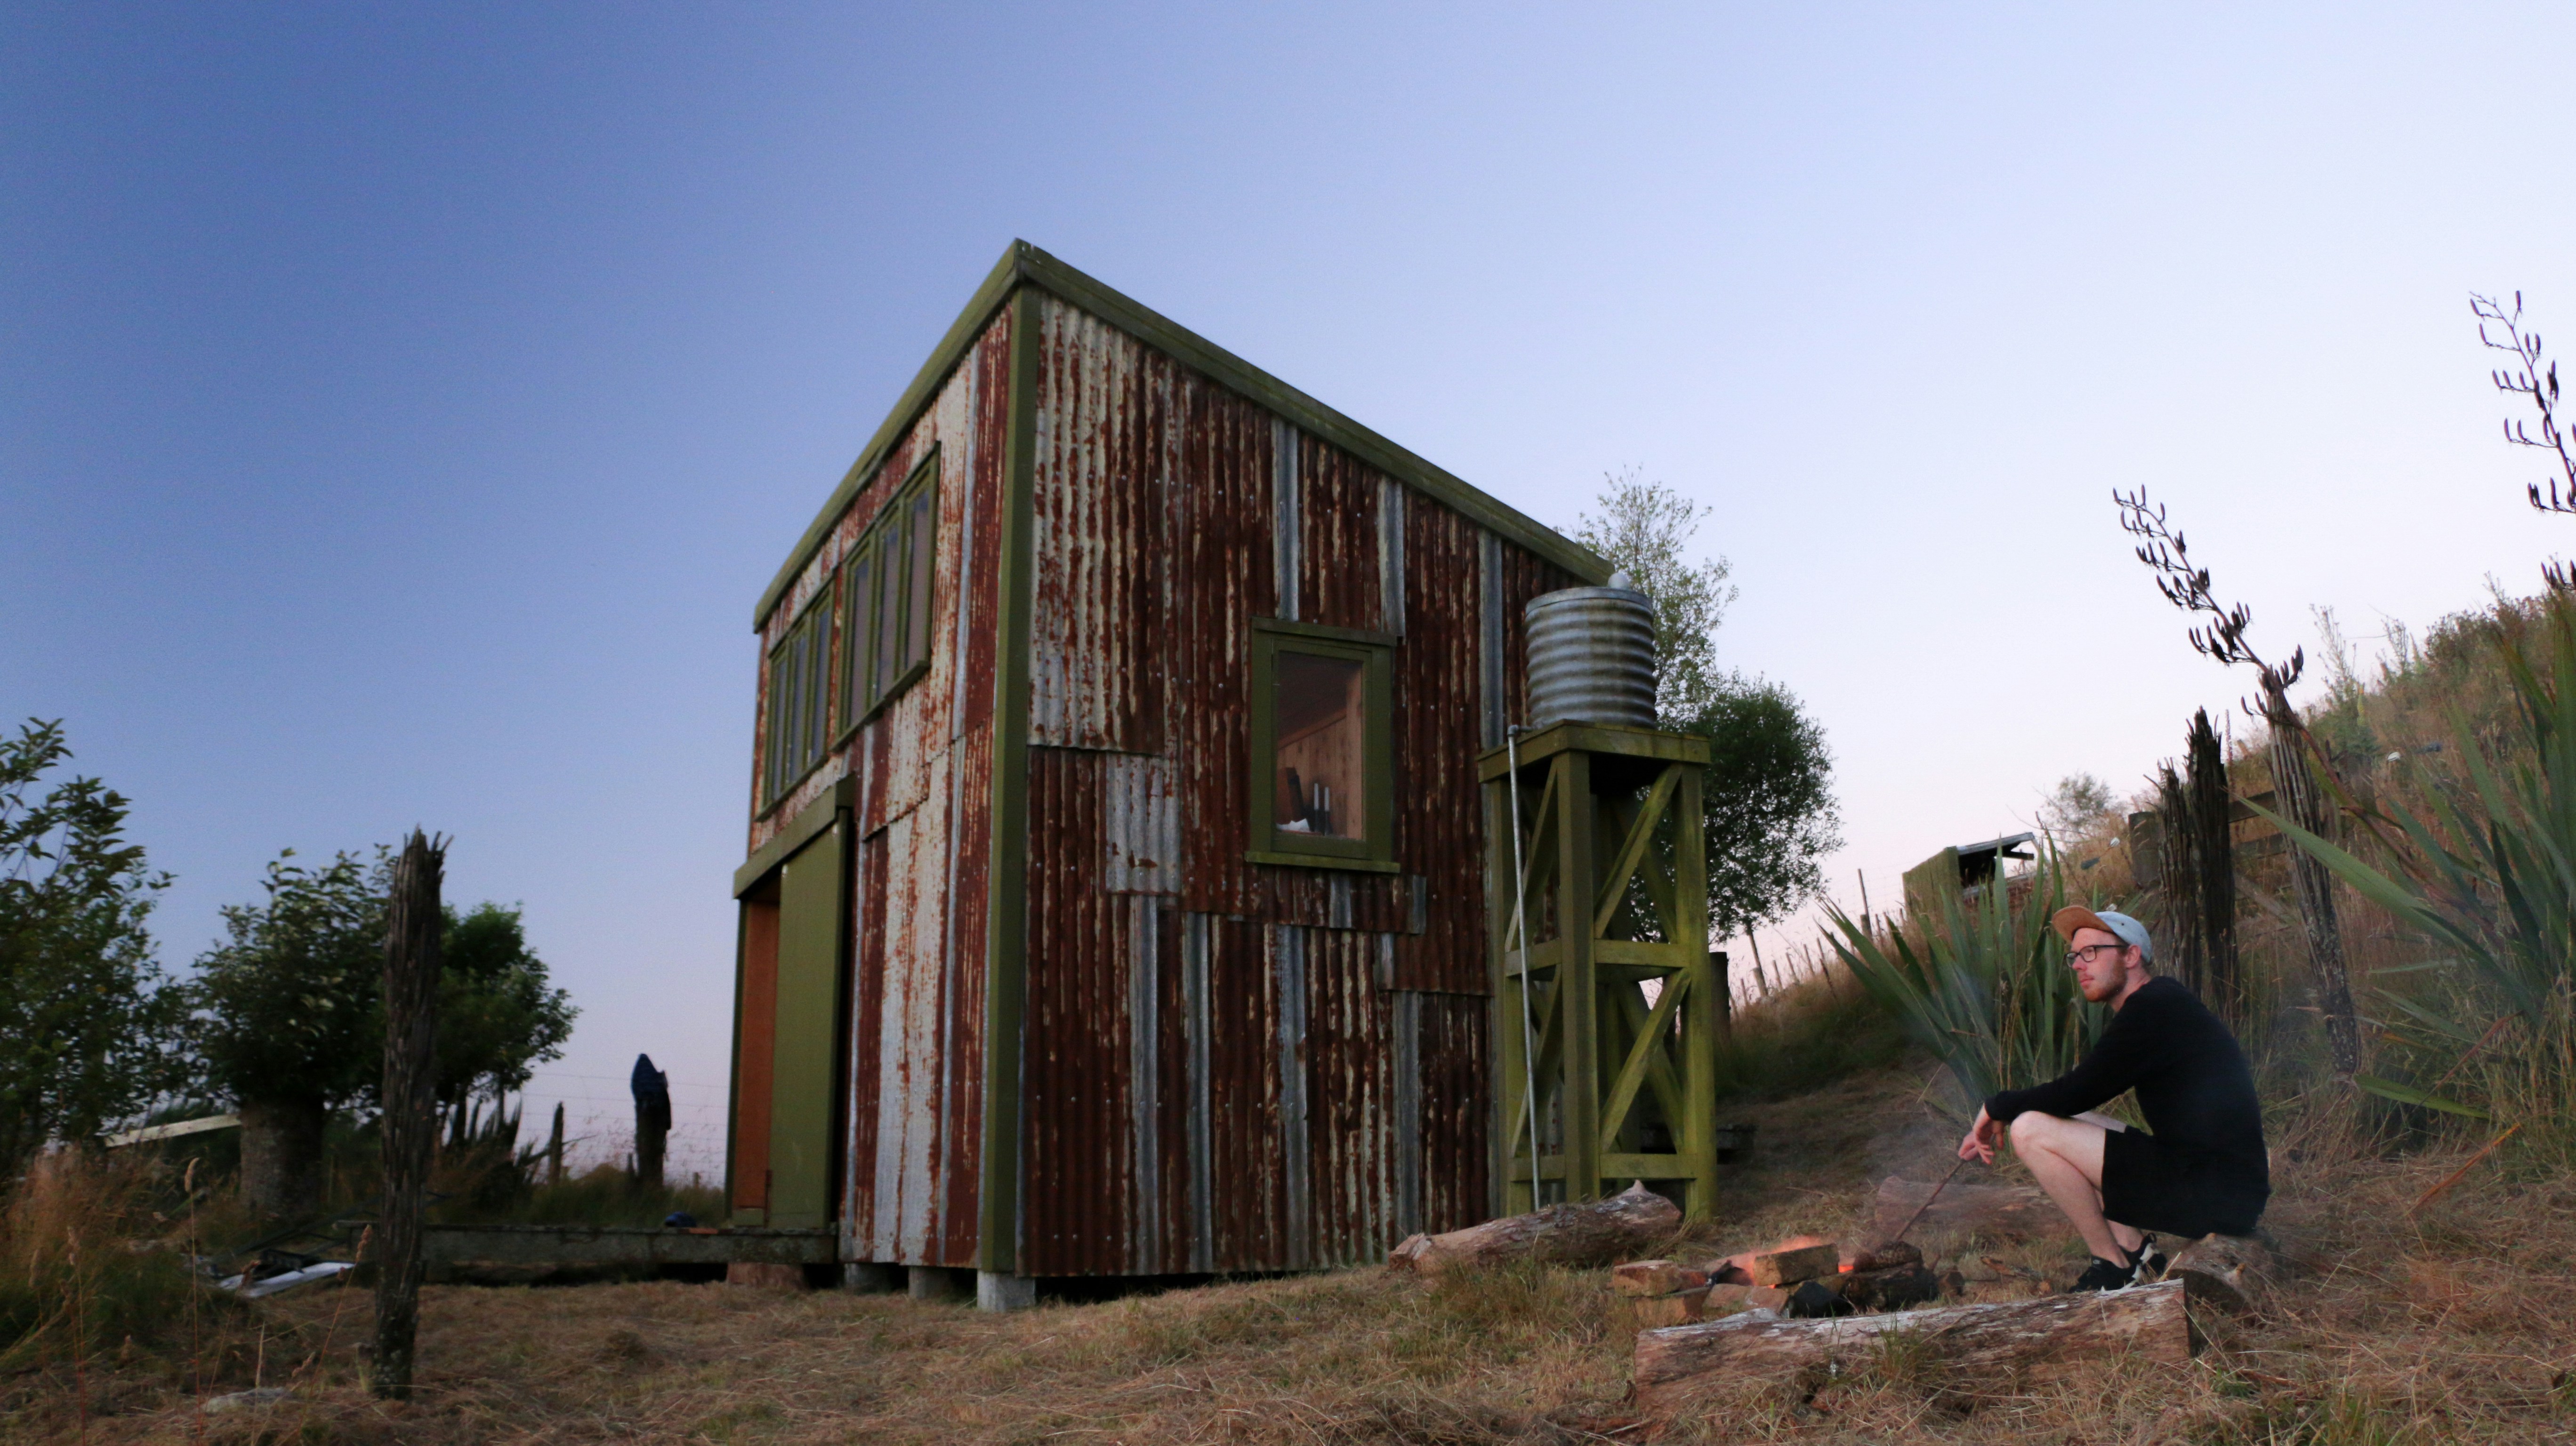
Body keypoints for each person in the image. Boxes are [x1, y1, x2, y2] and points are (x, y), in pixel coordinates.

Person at [1956, 906, 2268, 1293]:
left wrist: (1996, 1106)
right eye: (2075, 955)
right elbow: (2075, 1100)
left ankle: (2115, 1266)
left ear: (2132, 956)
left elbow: (2075, 1091)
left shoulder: (2154, 1009)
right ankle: (2136, 1251)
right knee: (2063, 1119)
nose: (2078, 965)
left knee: (2031, 1129)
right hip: (2222, 1184)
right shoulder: (2161, 1002)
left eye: (2092, 952)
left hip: (2217, 1194)